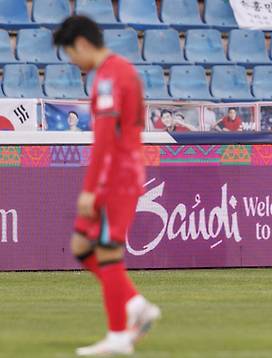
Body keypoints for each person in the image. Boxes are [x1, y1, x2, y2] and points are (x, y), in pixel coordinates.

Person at [53, 15, 160, 356]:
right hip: (121, 171)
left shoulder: (109, 77)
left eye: (71, 54)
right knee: (82, 246)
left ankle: (117, 337)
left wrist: (91, 188)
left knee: (108, 250)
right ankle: (136, 304)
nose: (73, 62)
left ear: (82, 44)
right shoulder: (121, 70)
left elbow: (104, 138)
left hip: (117, 175)